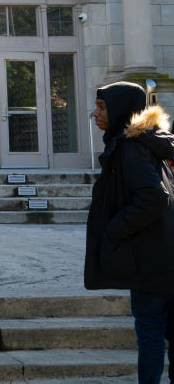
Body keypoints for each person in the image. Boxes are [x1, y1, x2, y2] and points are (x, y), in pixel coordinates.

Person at [85, 81, 174, 384]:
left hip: (150, 262)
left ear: (121, 108)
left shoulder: (131, 149)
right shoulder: (150, 143)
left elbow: (154, 197)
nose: (95, 113)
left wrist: (113, 230)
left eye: (102, 107)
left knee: (150, 336)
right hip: (165, 255)